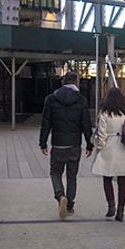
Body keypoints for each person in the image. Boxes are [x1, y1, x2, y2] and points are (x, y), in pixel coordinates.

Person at [38, 70, 93, 220]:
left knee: (55, 173)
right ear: (76, 82)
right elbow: (86, 124)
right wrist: (89, 144)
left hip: (58, 144)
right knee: (72, 176)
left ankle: (60, 196)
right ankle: (69, 206)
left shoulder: (51, 99)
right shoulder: (81, 100)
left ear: (63, 82)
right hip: (75, 144)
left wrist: (43, 142)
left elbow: (46, 123)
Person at [91, 87, 125, 222]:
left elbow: (102, 134)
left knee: (107, 178)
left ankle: (111, 205)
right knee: (122, 181)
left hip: (109, 147)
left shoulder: (104, 113)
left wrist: (100, 149)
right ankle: (121, 210)